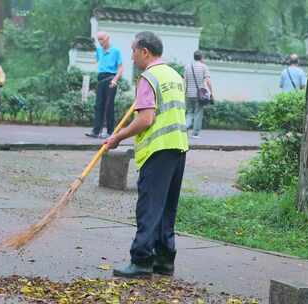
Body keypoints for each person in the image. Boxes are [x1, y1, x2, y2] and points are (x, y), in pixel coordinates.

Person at [104, 31, 188, 278]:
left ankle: (141, 261)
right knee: (166, 207)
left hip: (157, 150)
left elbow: (146, 119)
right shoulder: (174, 75)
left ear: (145, 52)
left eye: (133, 51)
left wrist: (117, 137)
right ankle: (164, 260)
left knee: (149, 207)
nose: (131, 57)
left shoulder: (148, 77)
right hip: (178, 148)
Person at [85, 31, 124, 139]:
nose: (100, 42)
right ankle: (96, 131)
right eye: (99, 40)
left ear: (107, 38)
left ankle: (110, 132)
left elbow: (121, 68)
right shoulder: (98, 51)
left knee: (109, 106)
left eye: (102, 39)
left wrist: (115, 80)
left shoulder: (116, 51)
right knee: (98, 106)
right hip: (101, 79)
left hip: (111, 79)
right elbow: (98, 62)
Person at [184, 50, 213, 139]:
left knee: (189, 113)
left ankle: (184, 128)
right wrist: (211, 92)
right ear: (201, 57)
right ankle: (195, 134)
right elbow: (207, 80)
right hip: (199, 95)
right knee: (198, 113)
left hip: (188, 94)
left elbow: (184, 80)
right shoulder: (204, 67)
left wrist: (184, 92)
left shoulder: (187, 67)